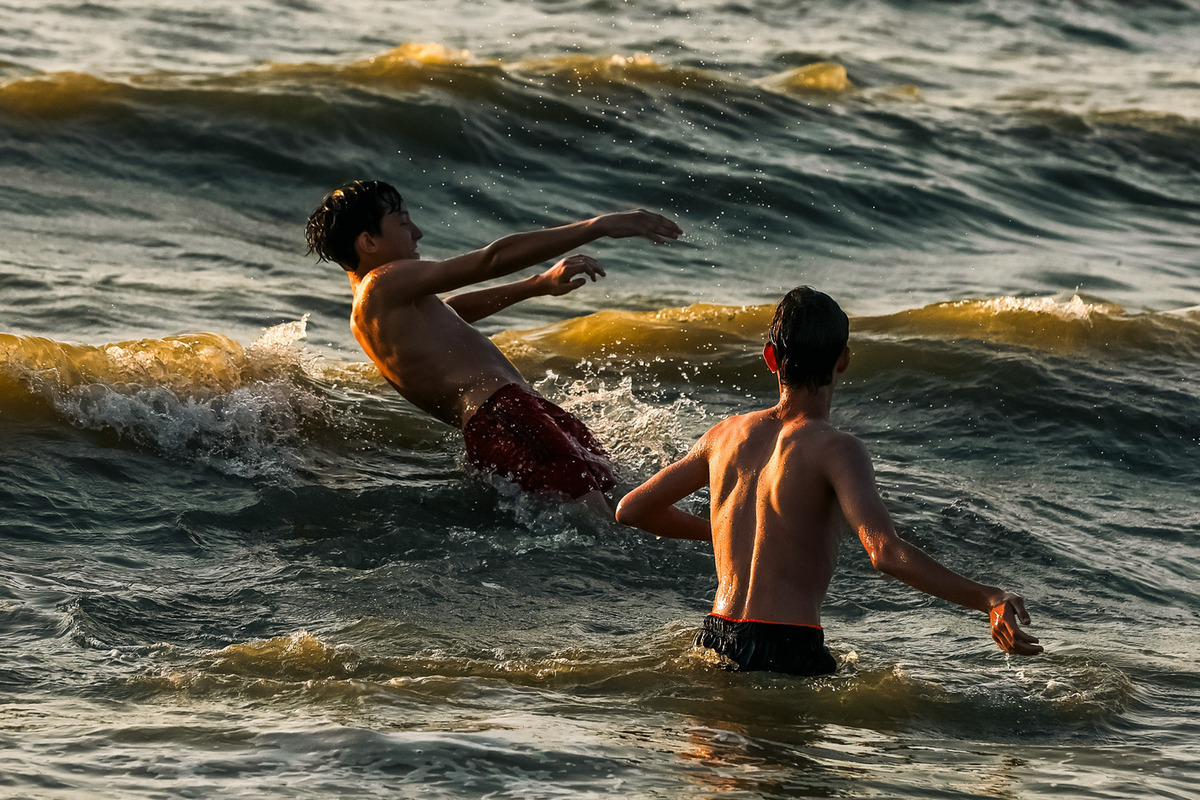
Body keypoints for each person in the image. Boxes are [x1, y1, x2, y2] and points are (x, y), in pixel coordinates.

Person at [615, 286, 1043, 676]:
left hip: (715, 637)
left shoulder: (724, 435)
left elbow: (632, 509)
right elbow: (884, 552)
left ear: (770, 358)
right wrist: (987, 597)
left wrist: (722, 531)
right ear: (843, 360)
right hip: (787, 645)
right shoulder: (837, 449)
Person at [305, 179, 682, 505]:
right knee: (601, 518)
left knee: (617, 504)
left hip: (504, 417)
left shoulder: (373, 308)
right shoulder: (383, 280)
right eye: (403, 223)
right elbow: (492, 259)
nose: (417, 233)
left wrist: (537, 285)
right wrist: (598, 226)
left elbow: (452, 312)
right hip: (505, 414)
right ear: (368, 241)